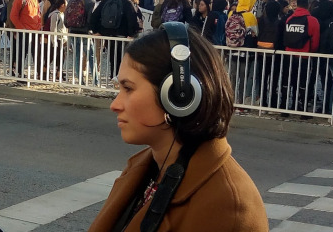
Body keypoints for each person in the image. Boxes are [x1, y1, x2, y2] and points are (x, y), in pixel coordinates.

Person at [89, 22, 268, 232]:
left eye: (128, 88)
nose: (115, 105)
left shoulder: (228, 206)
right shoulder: (147, 169)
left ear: (178, 96)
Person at [91, 0, 139, 78]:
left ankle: (113, 77)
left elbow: (94, 16)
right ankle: (119, 78)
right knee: (122, 59)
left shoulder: (106, 1)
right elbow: (132, 19)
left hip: (108, 35)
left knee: (112, 58)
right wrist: (132, 33)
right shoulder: (127, 3)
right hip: (122, 36)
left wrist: (97, 30)